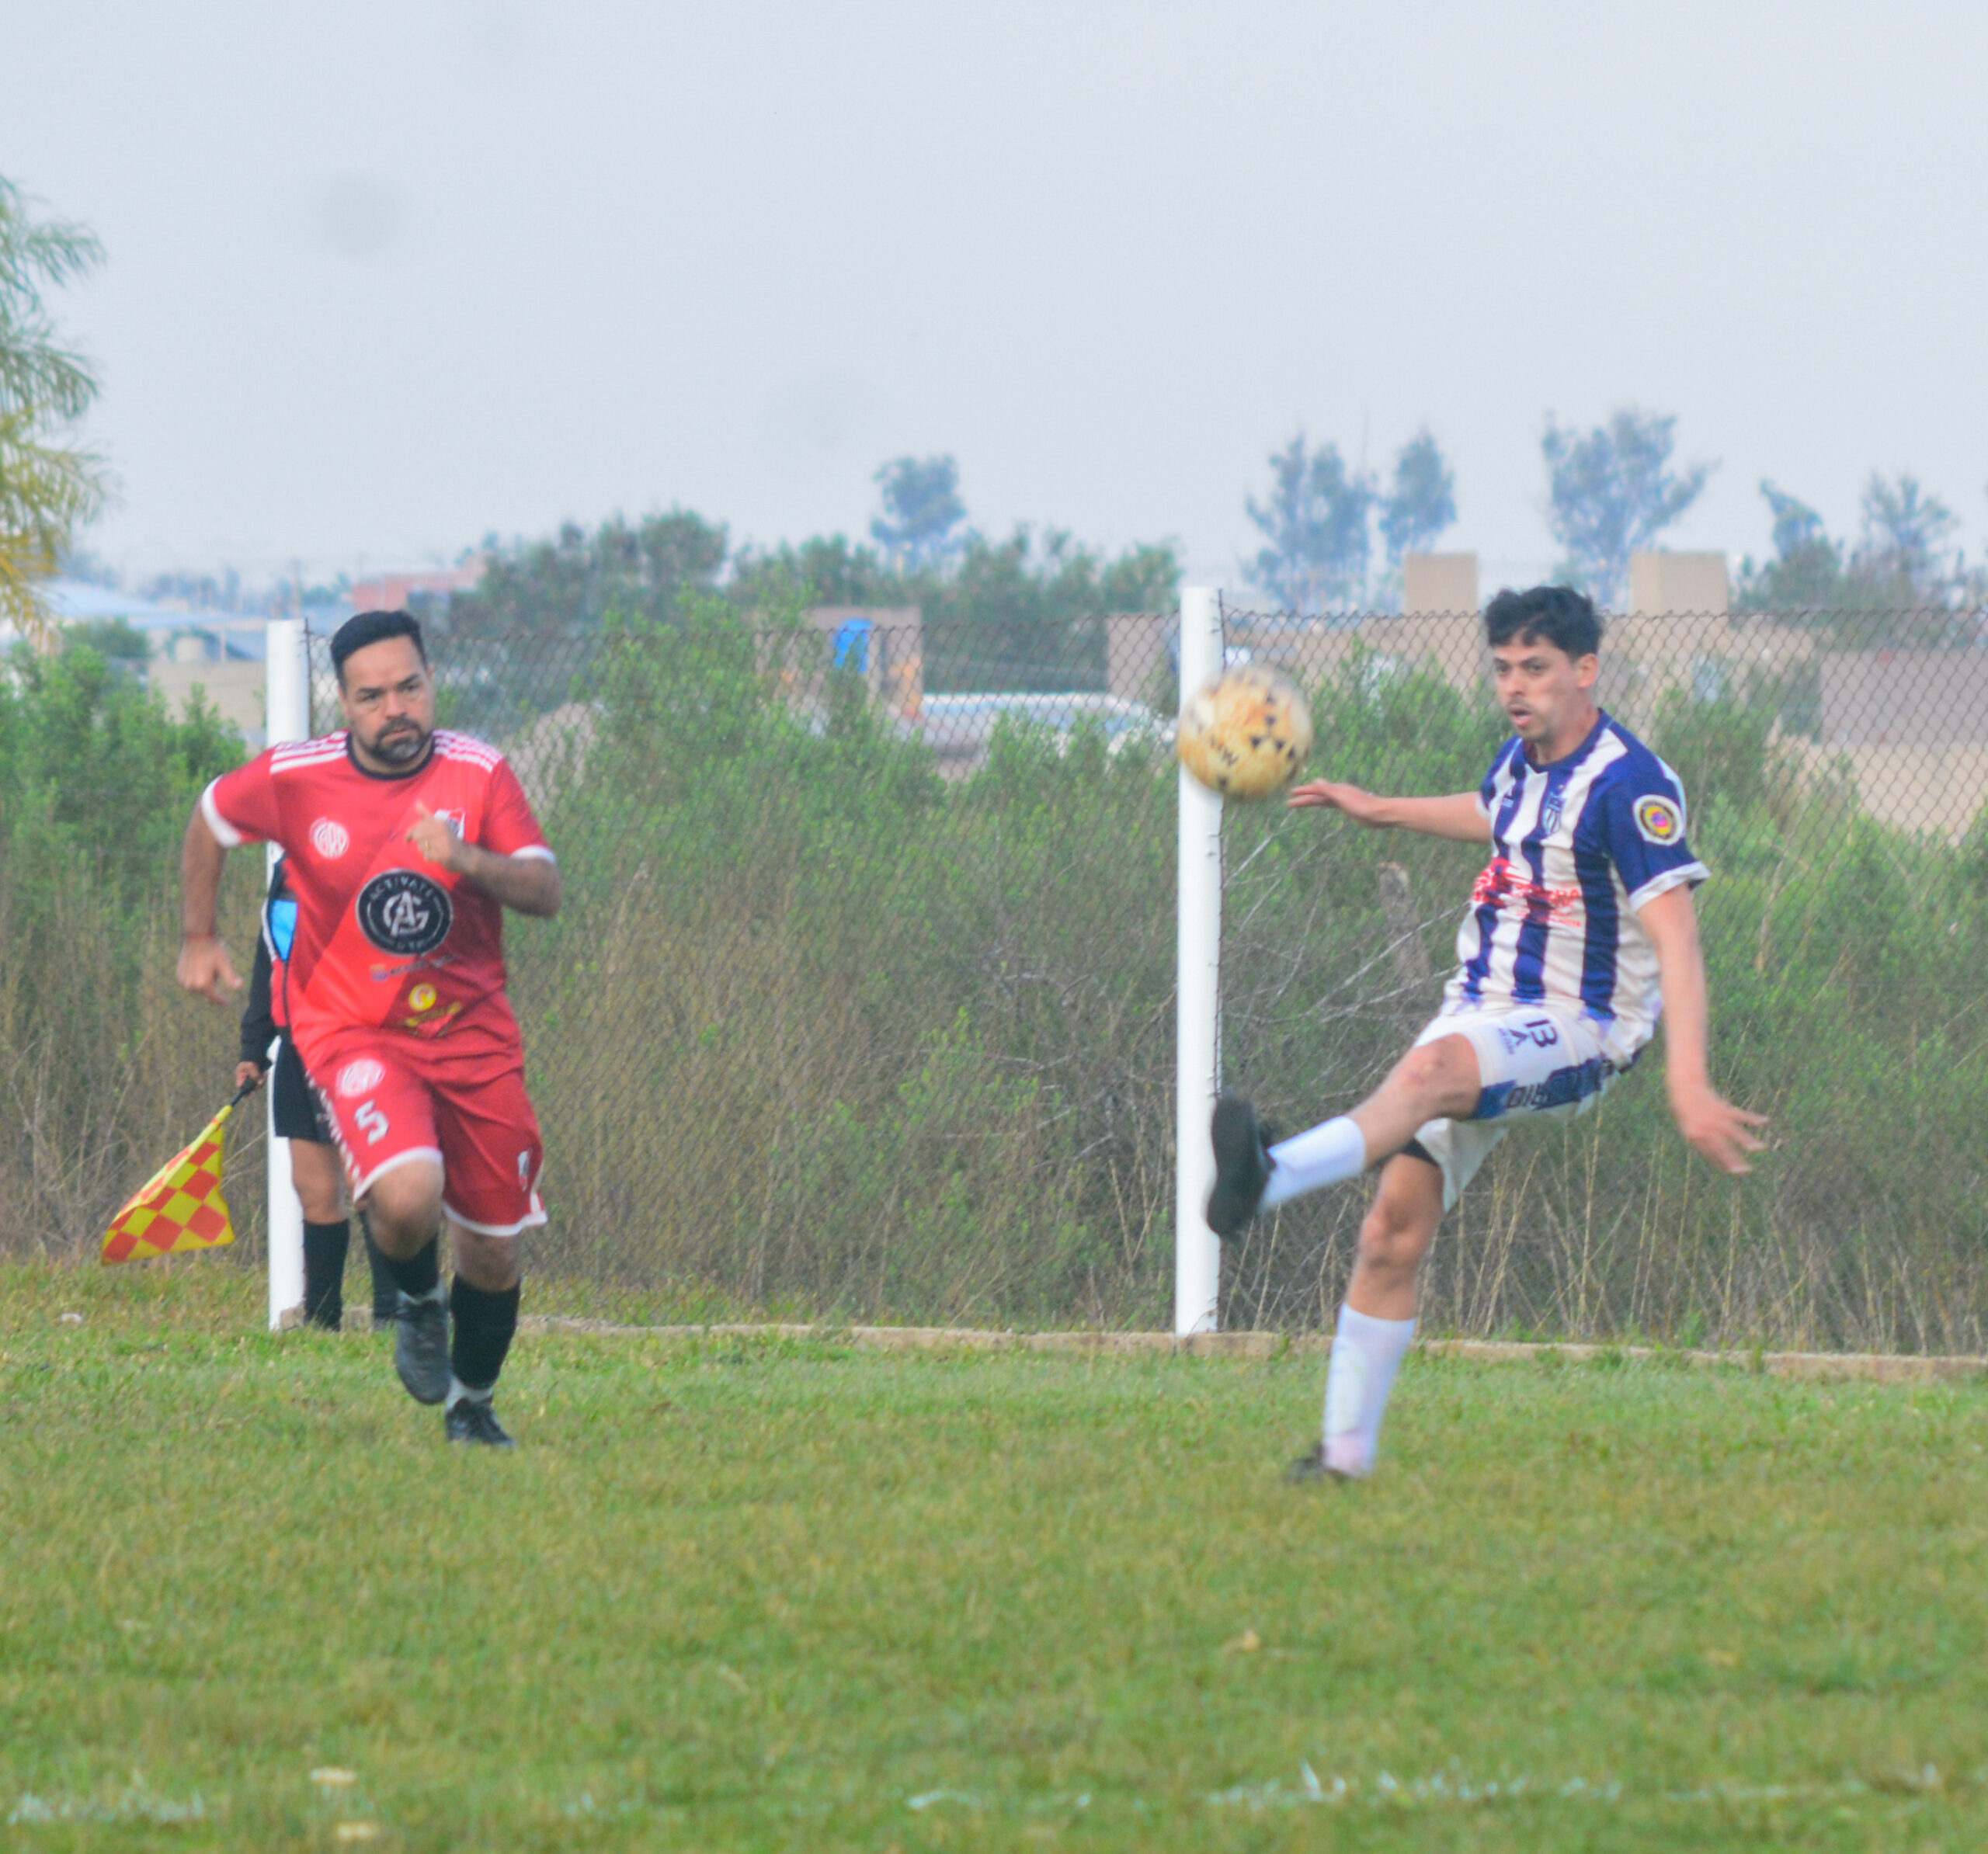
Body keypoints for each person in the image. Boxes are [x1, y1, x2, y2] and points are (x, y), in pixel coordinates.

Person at [1207, 585, 1767, 1482]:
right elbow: (1492, 812)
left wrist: (1688, 1081)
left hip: (1578, 1027)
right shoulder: (1522, 759)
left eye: (1535, 668)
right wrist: (1380, 808)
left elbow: (1678, 939)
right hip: (1482, 1009)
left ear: (1585, 670)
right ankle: (1343, 1459)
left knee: (1428, 1071)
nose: (1515, 686)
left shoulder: (1629, 784)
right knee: (1391, 1230)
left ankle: (1270, 1175)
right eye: (1503, 668)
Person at [178, 609, 562, 1446]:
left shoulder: (480, 774)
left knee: (493, 1253)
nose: (397, 710)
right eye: (373, 696)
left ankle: (471, 1405)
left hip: (473, 1036)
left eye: (409, 688)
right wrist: (199, 938)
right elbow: (210, 818)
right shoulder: (298, 777)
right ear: (345, 705)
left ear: (432, 682)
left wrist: (465, 859)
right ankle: (418, 1300)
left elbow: (544, 889)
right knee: (408, 1192)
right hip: (353, 1029)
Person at [236, 854, 398, 1331]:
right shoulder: (285, 872)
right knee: (314, 1190)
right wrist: (254, 1048)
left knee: (370, 1185)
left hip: (359, 1049)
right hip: (297, 1051)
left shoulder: (372, 860)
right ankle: (322, 1319)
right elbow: (271, 962)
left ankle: (395, 1317)